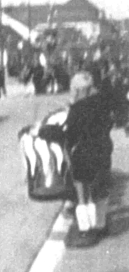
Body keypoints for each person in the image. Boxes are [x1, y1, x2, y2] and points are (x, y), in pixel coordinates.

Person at [42, 71, 120, 247]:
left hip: (83, 155)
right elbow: (109, 123)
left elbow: (69, 134)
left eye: (75, 90)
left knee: (83, 192)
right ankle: (100, 225)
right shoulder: (103, 102)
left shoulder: (77, 108)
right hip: (103, 150)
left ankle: (86, 229)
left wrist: (44, 131)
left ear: (79, 90)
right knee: (101, 188)